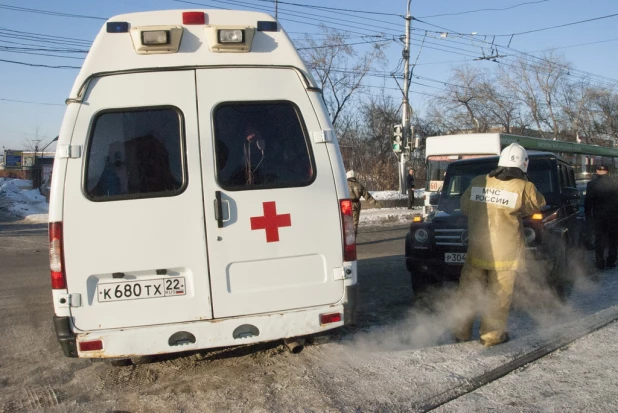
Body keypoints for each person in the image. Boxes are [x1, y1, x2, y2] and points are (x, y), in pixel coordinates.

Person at [452, 143, 546, 347]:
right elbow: (537, 204)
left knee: (468, 291)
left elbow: (465, 207)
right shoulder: (523, 187)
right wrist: (523, 181)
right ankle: (491, 336)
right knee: (499, 295)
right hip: (505, 254)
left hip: (477, 249)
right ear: (524, 165)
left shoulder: (479, 182)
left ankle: (460, 332)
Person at [585, 165, 618, 270]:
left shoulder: (591, 184)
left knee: (600, 240)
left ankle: (600, 263)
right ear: (607, 172)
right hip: (614, 216)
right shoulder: (615, 183)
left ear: (597, 171)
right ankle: (611, 261)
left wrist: (588, 217)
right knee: (613, 239)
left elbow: (588, 203)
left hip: (599, 217)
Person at [346, 170, 381, 236]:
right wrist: (376, 204)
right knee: (354, 223)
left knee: (346, 222)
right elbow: (367, 196)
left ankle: (346, 238)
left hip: (346, 204)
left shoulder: (344, 184)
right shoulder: (359, 185)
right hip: (356, 205)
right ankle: (353, 238)